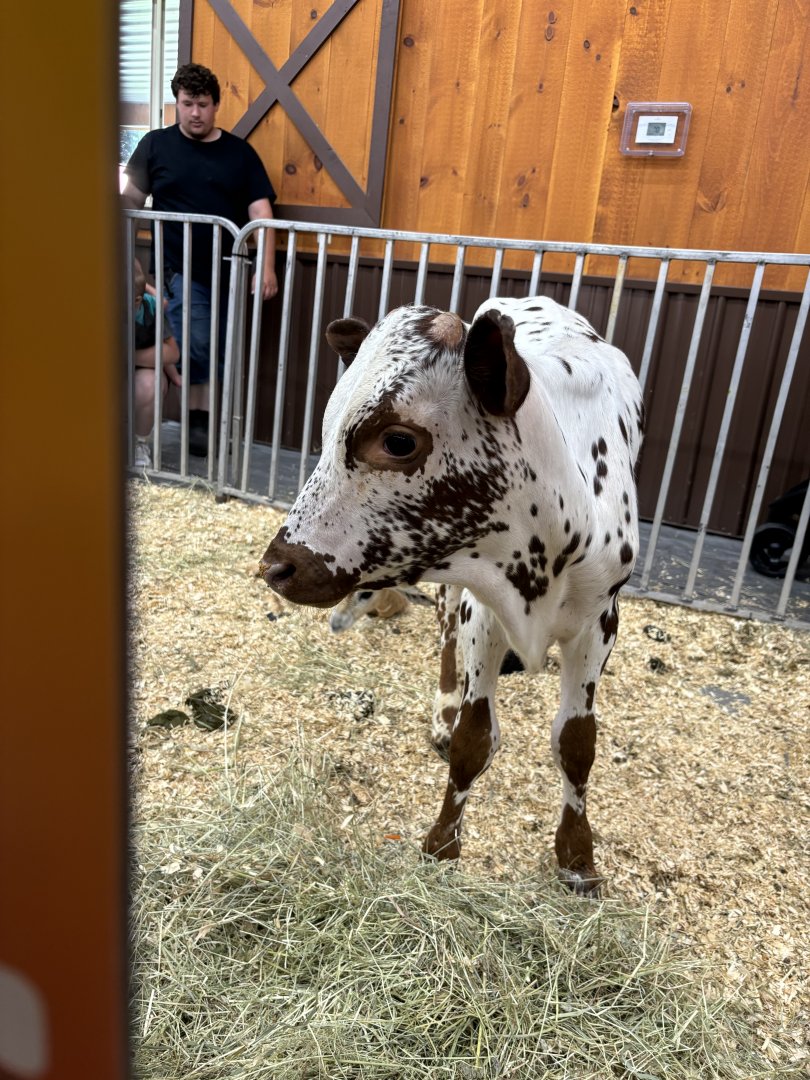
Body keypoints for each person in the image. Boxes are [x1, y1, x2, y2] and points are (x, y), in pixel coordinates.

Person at [121, 62, 278, 456]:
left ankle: (200, 429)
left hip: (232, 269)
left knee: (215, 346)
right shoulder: (156, 145)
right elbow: (130, 202)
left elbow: (261, 213)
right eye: (188, 103)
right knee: (198, 341)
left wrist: (268, 266)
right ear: (176, 103)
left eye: (203, 104)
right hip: (177, 269)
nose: (195, 113)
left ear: (216, 106)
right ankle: (198, 428)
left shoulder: (239, 153)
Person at [131, 258, 181, 469]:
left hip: (141, 357)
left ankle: (139, 443)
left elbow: (171, 352)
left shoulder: (149, 308)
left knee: (155, 380)